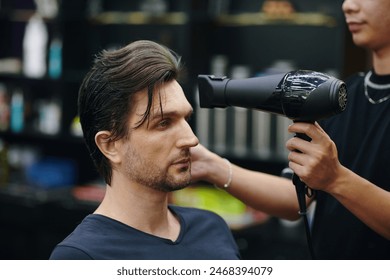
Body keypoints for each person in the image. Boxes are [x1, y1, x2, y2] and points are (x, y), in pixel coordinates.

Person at [190, 0, 390, 259]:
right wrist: (211, 166)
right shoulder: (343, 95)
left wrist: (336, 179)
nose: (348, 6)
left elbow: (330, 180)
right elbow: (294, 199)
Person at [49, 40, 240, 260]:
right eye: (163, 123)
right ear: (110, 145)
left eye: (186, 119)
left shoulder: (212, 229)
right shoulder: (82, 258)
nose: (191, 139)